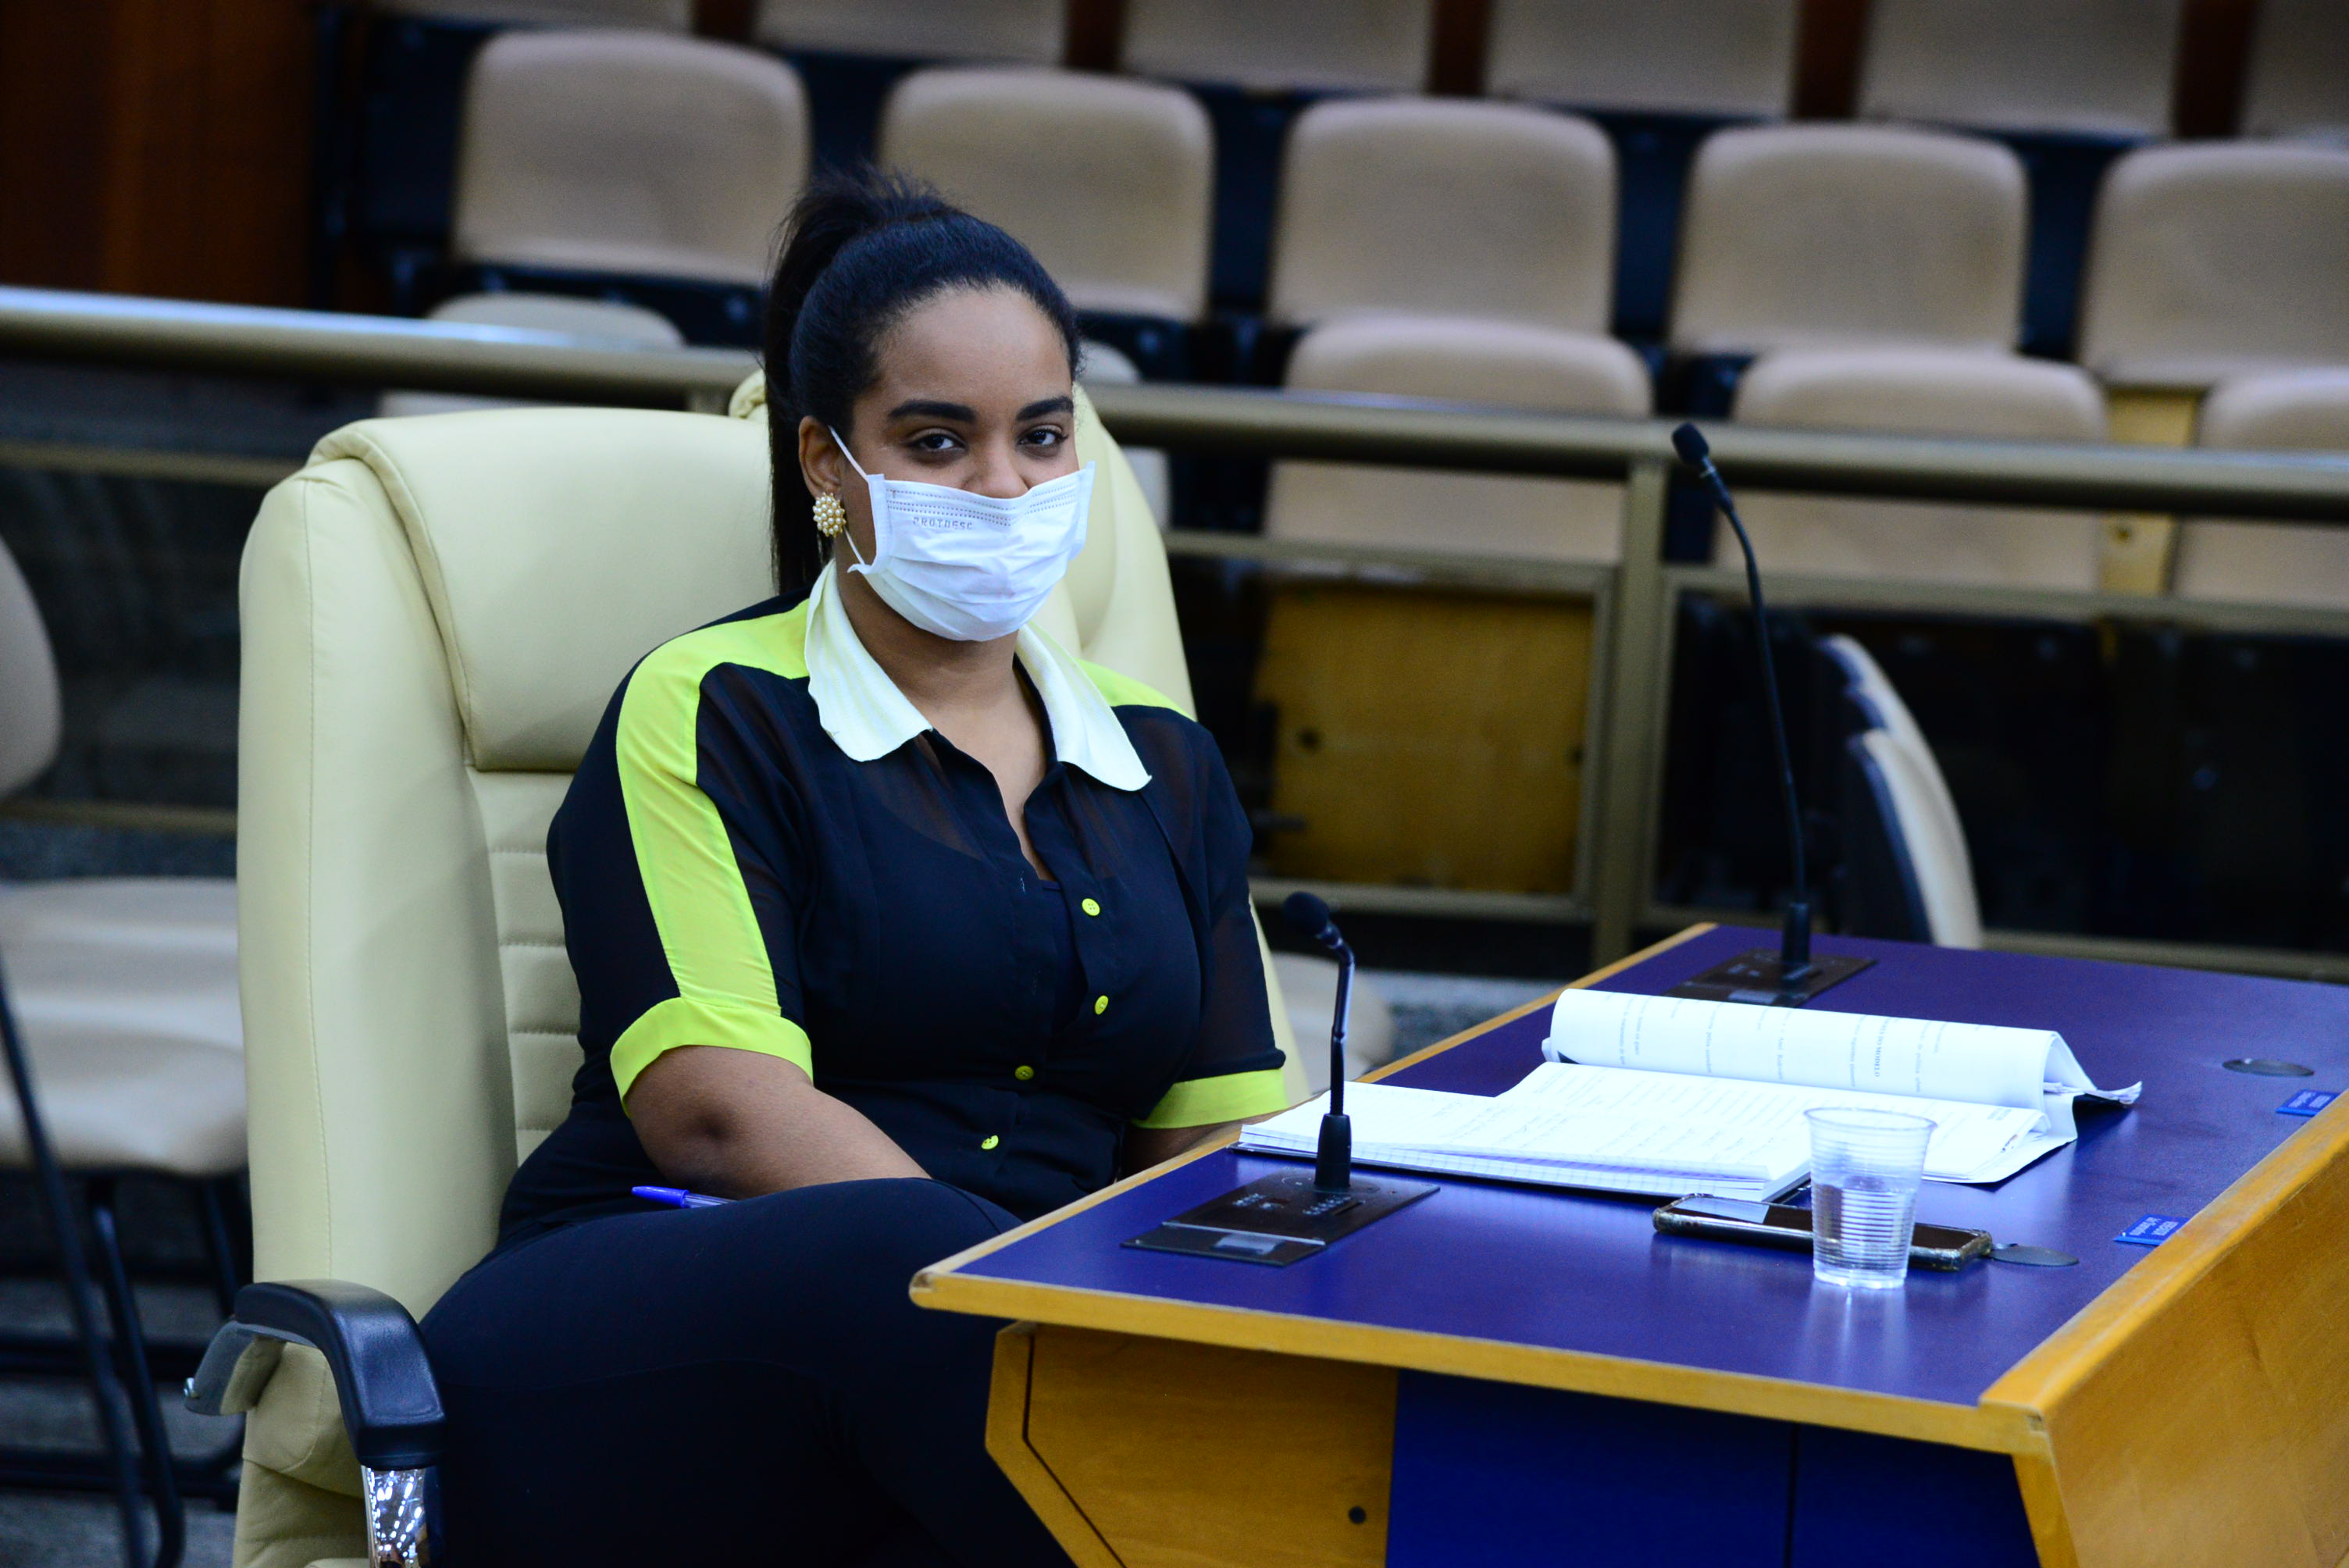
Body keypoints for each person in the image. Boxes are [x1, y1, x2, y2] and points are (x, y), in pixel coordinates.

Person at [419, 169, 1289, 1567]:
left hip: (982, 1376)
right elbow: (715, 1112)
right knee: (896, 1262)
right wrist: (1019, 1296)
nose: (1003, 485)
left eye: (1041, 435)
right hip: (663, 1339)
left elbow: (1210, 1147)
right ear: (829, 465)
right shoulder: (713, 705)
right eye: (938, 442)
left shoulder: (1164, 761)